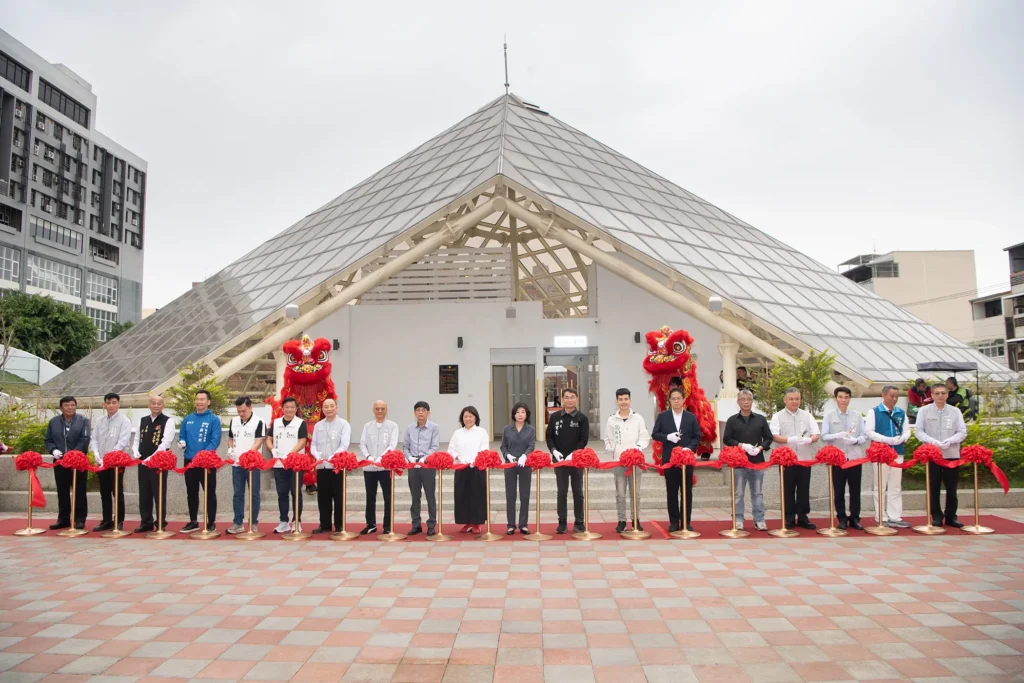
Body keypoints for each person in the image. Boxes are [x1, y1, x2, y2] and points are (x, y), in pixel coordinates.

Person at [914, 383, 968, 528]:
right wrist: (932, 442)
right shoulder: (924, 411)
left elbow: (962, 432)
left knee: (952, 487)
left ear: (947, 394)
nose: (940, 396)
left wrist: (951, 440)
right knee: (933, 486)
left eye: (943, 393)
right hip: (932, 454)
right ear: (931, 395)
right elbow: (918, 431)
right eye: (936, 393)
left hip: (951, 454)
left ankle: (951, 516)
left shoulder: (955, 411)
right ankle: (936, 516)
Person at [722, 389, 773, 531]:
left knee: (757, 492)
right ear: (738, 402)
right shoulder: (732, 420)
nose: (745, 402)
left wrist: (760, 448)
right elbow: (726, 439)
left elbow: (768, 438)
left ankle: (759, 519)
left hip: (757, 461)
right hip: (739, 462)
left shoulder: (761, 419)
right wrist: (741, 445)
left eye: (748, 399)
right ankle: (738, 519)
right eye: (743, 399)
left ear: (752, 401)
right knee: (738, 493)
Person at [770, 387, 820, 530]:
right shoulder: (777, 416)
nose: (794, 401)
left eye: (797, 399)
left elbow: (816, 433)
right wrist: (789, 440)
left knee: (804, 489)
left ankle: (803, 517)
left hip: (804, 458)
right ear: (785, 400)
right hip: (786, 460)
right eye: (791, 399)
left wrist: (810, 440)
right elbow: (774, 435)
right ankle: (789, 517)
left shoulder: (807, 415)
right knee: (788, 489)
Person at [864, 385, 911, 529]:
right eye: (891, 396)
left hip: (898, 452)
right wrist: (887, 440)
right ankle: (881, 516)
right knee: (880, 485)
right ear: (883, 396)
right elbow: (869, 432)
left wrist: (903, 438)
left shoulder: (901, 413)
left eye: (896, 396)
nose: (894, 399)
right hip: (881, 454)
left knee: (895, 485)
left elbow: (907, 430)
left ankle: (895, 515)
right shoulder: (874, 412)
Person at [603, 388, 651, 533]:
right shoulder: (611, 420)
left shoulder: (638, 418)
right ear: (616, 401)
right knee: (621, 493)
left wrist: (638, 447)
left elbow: (644, 437)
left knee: (635, 493)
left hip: (635, 462)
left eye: (626, 399)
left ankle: (635, 519)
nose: (623, 402)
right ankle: (621, 520)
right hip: (618, 461)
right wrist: (609, 446)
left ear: (630, 400)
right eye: (620, 399)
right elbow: (608, 438)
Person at [820, 386, 867, 530]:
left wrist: (856, 440)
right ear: (835, 399)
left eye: (846, 397)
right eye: (840, 397)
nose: (843, 400)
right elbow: (824, 436)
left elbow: (864, 436)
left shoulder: (857, 415)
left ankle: (854, 518)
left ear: (849, 399)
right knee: (838, 490)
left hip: (854, 457)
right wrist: (837, 435)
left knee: (855, 490)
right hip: (837, 458)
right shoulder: (829, 415)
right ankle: (841, 518)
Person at [545, 387, 589, 534]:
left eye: (572, 397)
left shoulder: (582, 418)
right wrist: (554, 451)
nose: (569, 399)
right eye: (567, 397)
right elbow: (549, 436)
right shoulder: (555, 417)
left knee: (578, 491)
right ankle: (562, 521)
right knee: (561, 491)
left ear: (576, 399)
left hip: (576, 460)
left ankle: (579, 522)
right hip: (560, 460)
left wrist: (575, 453)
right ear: (562, 399)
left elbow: (584, 439)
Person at [44, 396, 91, 531]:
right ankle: (63, 519)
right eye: (66, 405)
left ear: (75, 406)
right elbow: (48, 439)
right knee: (62, 490)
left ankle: (79, 519)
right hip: (59, 461)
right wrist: (53, 450)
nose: (70, 408)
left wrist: (73, 455)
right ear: (61, 408)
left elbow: (85, 439)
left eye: (72, 405)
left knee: (79, 490)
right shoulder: (54, 422)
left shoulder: (83, 421)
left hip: (78, 462)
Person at [179, 389, 223, 533]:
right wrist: (182, 442)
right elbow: (182, 435)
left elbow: (215, 440)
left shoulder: (214, 420)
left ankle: (211, 522)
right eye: (197, 399)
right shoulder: (187, 419)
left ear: (208, 402)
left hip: (206, 463)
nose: (199, 402)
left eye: (202, 399)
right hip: (189, 461)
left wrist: (203, 455)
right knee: (191, 492)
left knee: (209, 492)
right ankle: (193, 521)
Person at [90, 392, 133, 532]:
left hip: (116, 463)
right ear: (104, 404)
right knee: (104, 492)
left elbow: (122, 442)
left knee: (117, 491)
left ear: (119, 404)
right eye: (108, 403)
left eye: (114, 403)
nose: (111, 405)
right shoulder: (99, 421)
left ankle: (119, 520)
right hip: (101, 463)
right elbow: (94, 439)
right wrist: (97, 454)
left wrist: (109, 458)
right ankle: (106, 520)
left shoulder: (124, 421)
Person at [132, 396, 175, 533]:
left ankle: (161, 522)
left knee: (159, 492)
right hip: (142, 462)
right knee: (144, 493)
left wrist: (152, 458)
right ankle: (146, 522)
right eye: (153, 403)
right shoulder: (143, 420)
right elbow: (137, 439)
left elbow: (166, 442)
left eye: (159, 403)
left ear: (163, 405)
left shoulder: (168, 421)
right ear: (149, 405)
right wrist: (135, 451)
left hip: (158, 463)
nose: (156, 406)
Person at [267, 397, 308, 534]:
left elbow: (302, 441)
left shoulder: (300, 423)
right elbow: (269, 439)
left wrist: (290, 454)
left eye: (292, 407)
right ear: (282, 408)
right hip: (279, 464)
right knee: (282, 493)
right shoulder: (276, 422)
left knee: (296, 493)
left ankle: (297, 521)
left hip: (295, 464)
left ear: (296, 409)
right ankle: (283, 521)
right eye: (287, 407)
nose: (289, 409)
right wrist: (272, 449)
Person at [309, 398, 350, 534]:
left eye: (332, 406)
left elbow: (344, 444)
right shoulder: (318, 425)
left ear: (336, 408)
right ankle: (325, 524)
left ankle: (339, 525)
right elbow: (313, 444)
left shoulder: (344, 424)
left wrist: (334, 456)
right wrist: (317, 455)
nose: (329, 409)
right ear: (322, 409)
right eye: (326, 406)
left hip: (336, 467)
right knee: (323, 498)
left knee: (338, 497)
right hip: (322, 466)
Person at [226, 396, 266, 534]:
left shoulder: (259, 421)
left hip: (252, 464)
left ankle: (253, 522)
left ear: (250, 408)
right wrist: (230, 449)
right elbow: (231, 438)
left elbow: (259, 441)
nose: (241, 414)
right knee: (238, 493)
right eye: (239, 411)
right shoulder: (234, 421)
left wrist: (248, 455)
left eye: (243, 411)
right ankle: (238, 522)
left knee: (254, 493)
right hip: (237, 464)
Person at [359, 400, 398, 535]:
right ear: (373, 410)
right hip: (369, 467)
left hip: (385, 467)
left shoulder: (393, 426)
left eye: (382, 409)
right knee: (370, 496)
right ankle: (371, 524)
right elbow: (362, 443)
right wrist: (368, 456)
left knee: (388, 497)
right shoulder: (367, 426)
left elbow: (392, 445)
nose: (380, 411)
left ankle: (387, 525)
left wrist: (382, 458)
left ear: (386, 410)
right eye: (377, 409)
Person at [450, 406, 490, 533]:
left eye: (471, 416)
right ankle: (467, 522)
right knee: (462, 495)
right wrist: (459, 458)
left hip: (477, 467)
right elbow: (451, 449)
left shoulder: (481, 432)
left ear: (476, 418)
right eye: (465, 416)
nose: (468, 419)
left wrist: (475, 460)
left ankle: (477, 523)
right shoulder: (457, 433)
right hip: (462, 467)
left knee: (477, 495)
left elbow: (484, 449)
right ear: (462, 418)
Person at [403, 401, 439, 536]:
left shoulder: (434, 427)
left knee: (430, 496)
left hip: (428, 464)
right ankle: (416, 524)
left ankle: (431, 525)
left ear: (428, 412)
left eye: (423, 410)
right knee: (415, 496)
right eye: (418, 410)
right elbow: (405, 446)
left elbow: (434, 447)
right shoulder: (409, 428)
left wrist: (424, 458)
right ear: (414, 413)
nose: (421, 412)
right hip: (413, 464)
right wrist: (410, 458)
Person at [502, 402, 536, 535]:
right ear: (513, 414)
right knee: (510, 495)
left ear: (526, 414)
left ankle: (523, 524)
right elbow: (503, 446)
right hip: (510, 465)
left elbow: (531, 446)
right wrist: (507, 455)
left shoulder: (531, 429)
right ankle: (511, 525)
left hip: (525, 465)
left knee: (524, 495)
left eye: (523, 412)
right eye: (517, 412)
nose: (520, 414)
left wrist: (525, 456)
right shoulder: (507, 429)